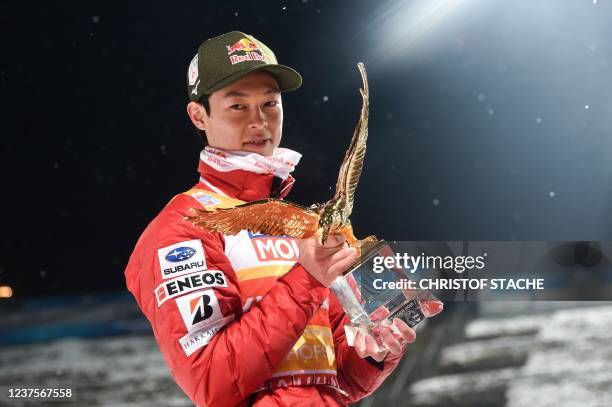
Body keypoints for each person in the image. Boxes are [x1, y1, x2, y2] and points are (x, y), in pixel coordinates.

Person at [125, 31, 416, 407]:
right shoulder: (182, 230)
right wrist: (306, 279)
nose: (259, 121)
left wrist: (375, 350)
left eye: (270, 104)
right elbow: (212, 379)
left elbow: (337, 381)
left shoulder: (307, 227)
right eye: (237, 106)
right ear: (199, 115)